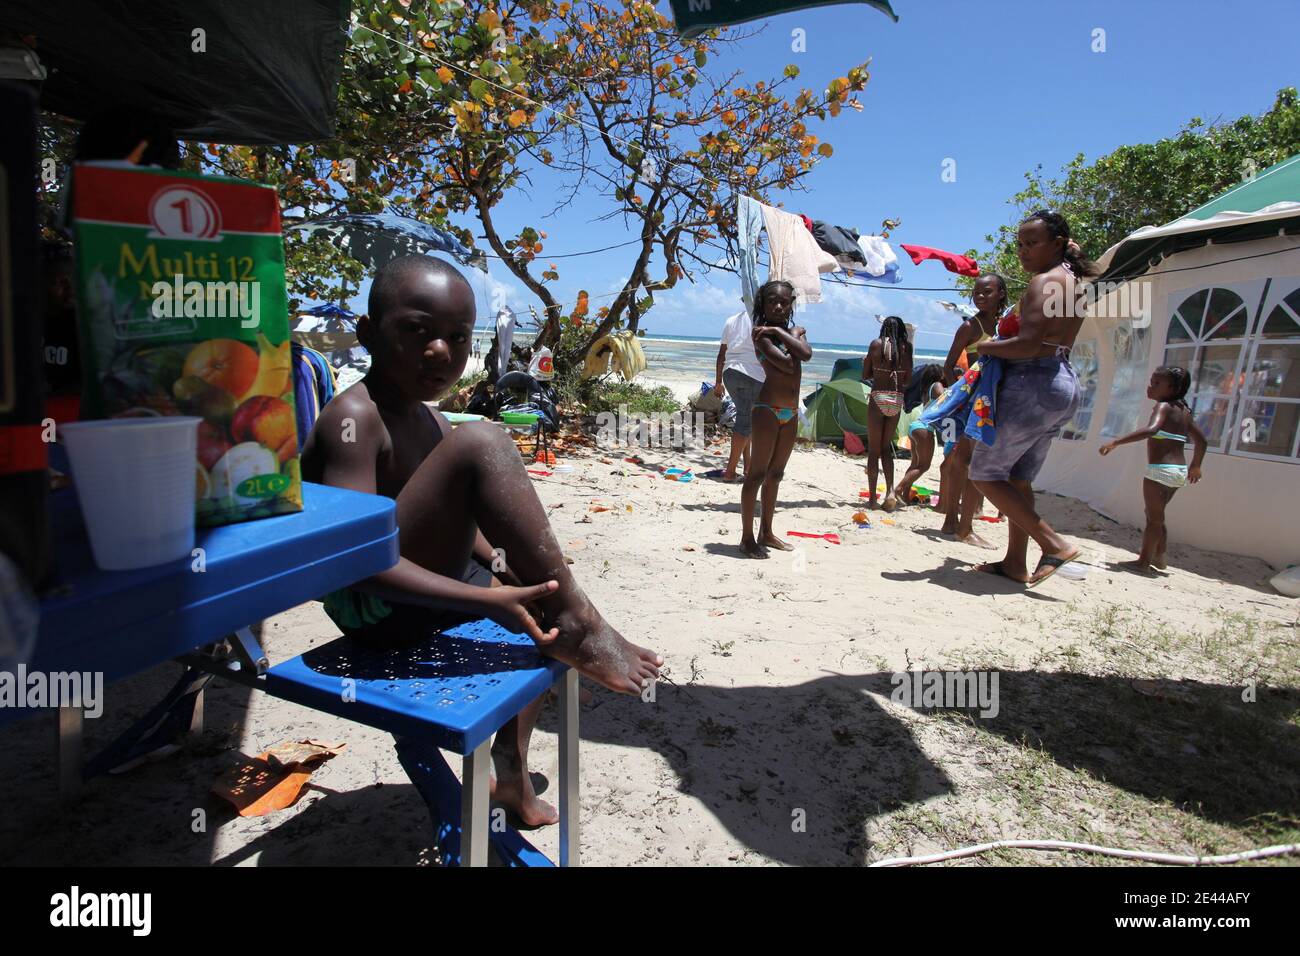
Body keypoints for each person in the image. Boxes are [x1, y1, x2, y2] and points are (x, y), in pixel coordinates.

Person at [301, 255, 661, 825]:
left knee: (536, 608)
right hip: (375, 606)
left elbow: (455, 530)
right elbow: (353, 562)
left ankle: (512, 779)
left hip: (428, 585)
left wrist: (506, 575)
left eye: (457, 337)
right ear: (370, 333)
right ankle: (581, 624)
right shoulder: (354, 418)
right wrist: (486, 598)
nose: (440, 351)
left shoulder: (433, 420)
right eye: (417, 330)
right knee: (485, 440)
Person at [968, 211, 1099, 586]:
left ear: (1057, 244)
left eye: (1032, 243)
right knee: (1017, 478)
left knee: (984, 473)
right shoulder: (1072, 282)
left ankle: (1054, 544)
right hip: (1061, 382)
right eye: (1021, 244)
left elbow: (1029, 345)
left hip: (1033, 383)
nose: (1024, 252)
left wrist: (987, 346)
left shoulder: (1046, 282)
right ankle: (1014, 562)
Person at [1099, 366, 1207, 571]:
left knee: (1154, 519)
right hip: (1178, 472)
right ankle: (1159, 557)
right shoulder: (1184, 412)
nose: (1151, 386)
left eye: (1157, 383)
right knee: (1156, 514)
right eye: (1151, 381)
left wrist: (1116, 442)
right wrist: (1196, 466)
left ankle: (1143, 562)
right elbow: (1202, 441)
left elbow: (1151, 430)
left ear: (1172, 388)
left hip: (1160, 471)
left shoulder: (1163, 407)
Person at [740, 280, 811, 558]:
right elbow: (790, 363)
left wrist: (785, 332)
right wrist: (789, 332)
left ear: (791, 303)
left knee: (776, 475)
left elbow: (806, 353)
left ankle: (766, 532)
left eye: (784, 301)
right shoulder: (761, 335)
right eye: (773, 301)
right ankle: (747, 538)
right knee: (756, 474)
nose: (779, 306)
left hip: (791, 412)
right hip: (767, 409)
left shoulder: (783, 333)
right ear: (763, 304)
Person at [937, 274, 1009, 546]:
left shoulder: (1005, 325)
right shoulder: (970, 326)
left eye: (987, 292)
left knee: (962, 460)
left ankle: (952, 521)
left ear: (1001, 294)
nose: (980, 296)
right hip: (977, 402)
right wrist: (961, 395)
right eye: (977, 292)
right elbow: (948, 366)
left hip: (993, 399)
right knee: (967, 461)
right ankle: (962, 526)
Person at [860, 316, 912, 511]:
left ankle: (873, 500)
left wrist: (876, 370)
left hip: (878, 397)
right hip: (896, 399)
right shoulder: (906, 348)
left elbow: (865, 375)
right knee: (886, 448)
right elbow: (908, 378)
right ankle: (890, 491)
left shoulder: (876, 344)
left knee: (873, 451)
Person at [713, 306, 766, 481]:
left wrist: (719, 382)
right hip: (753, 375)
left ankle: (748, 467)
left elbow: (721, 354)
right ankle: (730, 472)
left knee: (746, 419)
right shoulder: (765, 321)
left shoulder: (731, 320)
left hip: (730, 373)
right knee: (745, 422)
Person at [894, 364, 945, 505]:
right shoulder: (937, 385)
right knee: (923, 466)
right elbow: (944, 399)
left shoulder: (925, 390)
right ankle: (898, 490)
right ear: (939, 375)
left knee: (915, 464)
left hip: (916, 426)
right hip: (924, 428)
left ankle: (904, 496)